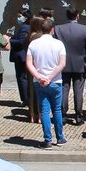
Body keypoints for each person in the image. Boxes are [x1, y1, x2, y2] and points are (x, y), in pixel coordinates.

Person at [26, 18, 67, 148]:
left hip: (39, 82)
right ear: (52, 29)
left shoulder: (33, 44)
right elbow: (62, 64)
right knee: (57, 110)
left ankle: (47, 139)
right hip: (55, 81)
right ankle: (60, 138)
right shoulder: (59, 44)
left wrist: (39, 77)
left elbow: (29, 63)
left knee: (44, 110)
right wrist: (50, 77)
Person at [53, 7, 86, 125]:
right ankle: (79, 116)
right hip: (79, 65)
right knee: (78, 92)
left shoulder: (58, 29)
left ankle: (63, 116)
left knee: (63, 90)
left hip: (63, 64)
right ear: (78, 16)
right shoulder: (84, 29)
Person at [8, 9, 32, 107]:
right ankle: (25, 99)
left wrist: (10, 40)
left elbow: (22, 42)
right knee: (22, 78)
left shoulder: (25, 27)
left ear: (25, 17)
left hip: (22, 56)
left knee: (22, 78)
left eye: (20, 16)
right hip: (21, 56)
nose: (18, 18)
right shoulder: (23, 27)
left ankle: (26, 99)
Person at [25, 16, 44, 124]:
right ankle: (40, 115)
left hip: (31, 66)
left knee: (32, 91)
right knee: (40, 91)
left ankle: (32, 115)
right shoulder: (40, 36)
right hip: (40, 66)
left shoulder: (29, 36)